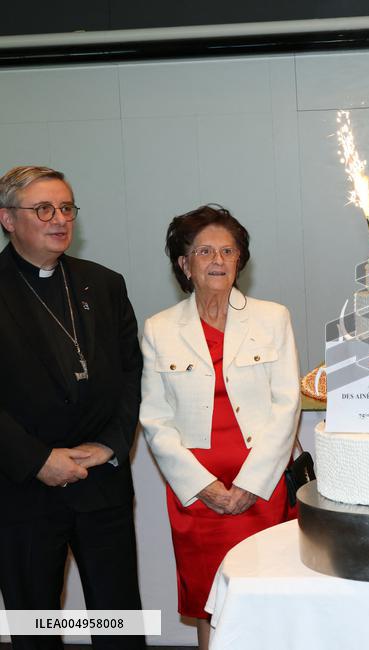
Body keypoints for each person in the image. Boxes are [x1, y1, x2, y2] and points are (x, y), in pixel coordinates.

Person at [139, 205, 300, 650]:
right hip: (198, 496)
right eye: (204, 250)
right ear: (183, 263)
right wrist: (205, 486)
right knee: (209, 602)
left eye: (228, 251)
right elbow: (154, 418)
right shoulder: (160, 329)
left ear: (239, 260)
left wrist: (252, 483)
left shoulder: (273, 318)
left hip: (262, 489)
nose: (217, 260)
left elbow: (287, 405)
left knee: (267, 594)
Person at [0, 166, 145, 650]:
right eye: (43, 209)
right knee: (34, 627)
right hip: (22, 490)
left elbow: (131, 373)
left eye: (66, 208)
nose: (59, 219)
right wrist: (37, 460)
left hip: (100, 481)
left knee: (119, 623)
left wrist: (109, 444)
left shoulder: (104, 284)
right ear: (7, 219)